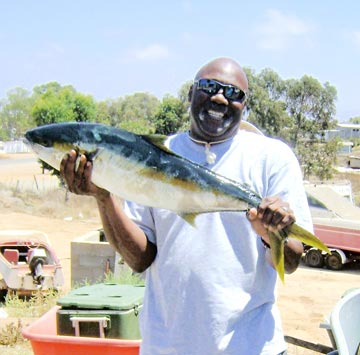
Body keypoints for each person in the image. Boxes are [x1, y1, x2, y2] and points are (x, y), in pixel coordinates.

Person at [60, 57, 312, 355]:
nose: (220, 96)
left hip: (251, 346)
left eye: (234, 93)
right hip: (167, 346)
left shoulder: (272, 157)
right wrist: (104, 196)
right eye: (209, 87)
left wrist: (270, 234)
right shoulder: (154, 156)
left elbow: (292, 259)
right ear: (190, 93)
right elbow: (140, 259)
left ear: (245, 105)